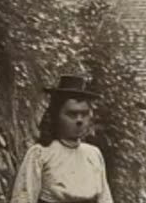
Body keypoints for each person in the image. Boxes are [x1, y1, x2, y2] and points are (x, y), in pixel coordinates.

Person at [10, 75, 114, 203]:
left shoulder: (94, 155)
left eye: (84, 114)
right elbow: (23, 198)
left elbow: (105, 199)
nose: (79, 120)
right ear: (56, 116)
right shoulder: (41, 153)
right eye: (72, 114)